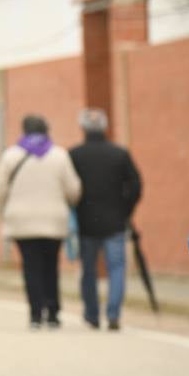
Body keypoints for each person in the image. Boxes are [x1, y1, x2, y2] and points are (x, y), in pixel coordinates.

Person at [0, 115, 82, 329]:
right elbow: (74, 189)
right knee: (51, 266)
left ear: (24, 130)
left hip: (21, 222)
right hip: (54, 220)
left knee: (30, 267)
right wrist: (70, 204)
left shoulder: (11, 156)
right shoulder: (60, 155)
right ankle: (53, 312)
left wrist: (2, 215)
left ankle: (34, 314)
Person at [68, 108, 143, 331]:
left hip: (85, 223)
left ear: (83, 128)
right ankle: (113, 314)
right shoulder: (119, 154)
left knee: (88, 270)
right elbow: (136, 185)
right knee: (117, 268)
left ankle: (92, 315)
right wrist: (125, 209)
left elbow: (69, 188)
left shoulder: (74, 155)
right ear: (105, 127)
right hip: (115, 222)